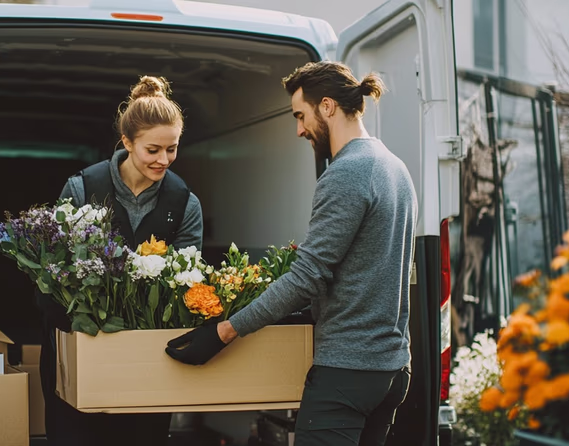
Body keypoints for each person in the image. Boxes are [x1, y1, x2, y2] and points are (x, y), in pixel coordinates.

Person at [162, 61, 415, 446]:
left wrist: (223, 332)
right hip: (392, 369)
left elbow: (306, 277)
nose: (299, 129)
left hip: (347, 371)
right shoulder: (395, 167)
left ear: (327, 106)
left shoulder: (348, 173)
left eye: (301, 115)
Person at [36, 75, 203, 446]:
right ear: (127, 142)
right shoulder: (82, 187)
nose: (164, 160)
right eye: (153, 150)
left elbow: (187, 280)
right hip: (82, 345)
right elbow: (56, 269)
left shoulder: (185, 203)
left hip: (147, 358)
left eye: (172, 149)